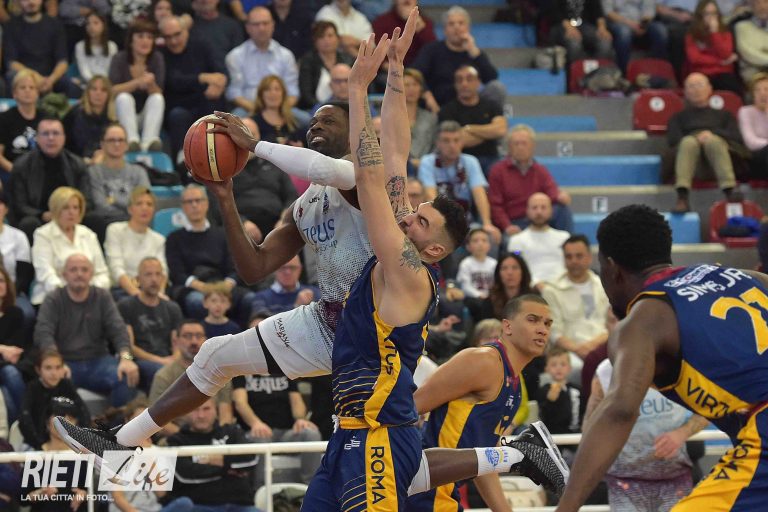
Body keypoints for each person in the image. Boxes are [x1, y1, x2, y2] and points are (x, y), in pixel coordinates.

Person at [54, 12, 567, 501]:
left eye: (328, 120)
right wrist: (226, 198)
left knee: (400, 461)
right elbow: (254, 268)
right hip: (327, 323)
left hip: (380, 340)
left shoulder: (363, 183)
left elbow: (359, 155)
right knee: (215, 356)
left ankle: (514, 452)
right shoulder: (307, 203)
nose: (315, 127)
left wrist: (257, 144)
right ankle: (122, 442)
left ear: (353, 134)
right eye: (312, 122)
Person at [551, 203, 768, 511]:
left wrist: (566, 507)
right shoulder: (744, 276)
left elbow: (620, 411)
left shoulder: (641, 322)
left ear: (611, 268)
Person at [406, 295, 563, 511]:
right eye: (533, 320)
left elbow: (485, 461)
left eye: (547, 323)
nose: (542, 329)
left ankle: (519, 455)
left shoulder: (515, 386)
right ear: (507, 326)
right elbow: (409, 408)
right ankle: (520, 454)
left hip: (444, 494)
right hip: (420, 491)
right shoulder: (483, 361)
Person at [585, 358, 708, 512]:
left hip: (674, 477)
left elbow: (709, 409)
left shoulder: (681, 363)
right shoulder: (606, 370)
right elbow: (590, 425)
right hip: (624, 480)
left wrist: (682, 433)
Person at [34, 253, 139, 407]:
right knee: (52, 378)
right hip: (65, 361)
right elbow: (43, 333)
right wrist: (57, 363)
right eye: (73, 270)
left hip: (99, 361)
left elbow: (118, 329)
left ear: (92, 274)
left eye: (84, 269)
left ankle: (116, 421)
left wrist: (126, 358)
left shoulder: (102, 296)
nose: (79, 274)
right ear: (64, 274)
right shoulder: (53, 299)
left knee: (127, 375)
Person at [232, 318, 322, 485]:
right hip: (253, 433)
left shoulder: (284, 366)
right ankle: (260, 491)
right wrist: (256, 424)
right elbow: (240, 403)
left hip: (285, 433)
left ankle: (310, 487)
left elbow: (296, 400)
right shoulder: (240, 367)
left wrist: (301, 420)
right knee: (261, 439)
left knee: (310, 433)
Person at [165, 185, 255, 325]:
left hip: (223, 285)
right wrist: (202, 287)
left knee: (250, 299)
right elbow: (177, 273)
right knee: (196, 301)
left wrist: (225, 285)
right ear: (183, 207)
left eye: (198, 200)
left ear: (207, 204)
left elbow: (234, 266)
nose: (194, 205)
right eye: (189, 202)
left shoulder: (223, 235)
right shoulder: (174, 238)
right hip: (193, 288)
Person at [667, 72, 744, 213]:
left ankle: (729, 189)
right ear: (685, 92)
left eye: (699, 85)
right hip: (691, 164)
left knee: (713, 141)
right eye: (691, 86)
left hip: (720, 161)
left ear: (709, 88)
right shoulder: (677, 118)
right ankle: (682, 196)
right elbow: (673, 141)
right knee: (688, 142)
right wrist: (696, 137)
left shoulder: (725, 115)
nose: (696, 89)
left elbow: (736, 138)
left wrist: (711, 134)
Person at [164, 398, 259, 511]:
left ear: (216, 410)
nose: (201, 415)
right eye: (195, 410)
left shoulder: (232, 432)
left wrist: (220, 461)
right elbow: (185, 475)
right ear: (186, 412)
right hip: (199, 505)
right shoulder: (176, 441)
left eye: (206, 409)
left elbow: (252, 458)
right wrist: (229, 469)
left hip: (241, 505)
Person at [9, 118, 93, 242]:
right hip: (38, 217)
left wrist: (70, 212)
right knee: (29, 223)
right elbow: (19, 205)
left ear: (64, 137)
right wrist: (42, 215)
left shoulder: (77, 164)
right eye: (45, 133)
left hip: (71, 214)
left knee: (94, 218)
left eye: (55, 133)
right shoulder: (21, 166)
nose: (51, 138)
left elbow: (86, 199)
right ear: (37, 138)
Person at [418, 121, 501, 243]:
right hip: (439, 221)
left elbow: (479, 193)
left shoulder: (470, 161)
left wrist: (486, 223)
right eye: (446, 141)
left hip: (467, 221)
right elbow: (430, 196)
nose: (452, 145)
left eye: (456, 140)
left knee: (488, 238)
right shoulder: (427, 162)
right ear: (438, 143)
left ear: (462, 142)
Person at [160, 15, 228, 163]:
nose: (173, 41)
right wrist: (201, 78)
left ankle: (214, 158)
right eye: (168, 37)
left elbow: (221, 73)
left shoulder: (202, 45)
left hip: (205, 101)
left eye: (177, 34)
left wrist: (218, 84)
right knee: (177, 116)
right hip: (178, 105)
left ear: (186, 31)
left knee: (213, 109)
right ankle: (182, 161)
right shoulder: (161, 54)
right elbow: (173, 81)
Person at [148, 320, 234, 436]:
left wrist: (218, 438)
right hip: (177, 439)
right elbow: (155, 421)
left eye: (199, 336)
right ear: (176, 341)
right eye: (187, 336)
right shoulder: (164, 376)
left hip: (214, 436)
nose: (194, 341)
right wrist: (189, 439)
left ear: (206, 340)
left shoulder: (219, 372)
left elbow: (225, 414)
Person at [109, 398, 195, 512]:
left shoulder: (158, 451)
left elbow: (161, 493)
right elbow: (117, 497)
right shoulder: (115, 452)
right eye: (136, 421)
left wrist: (146, 456)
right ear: (127, 421)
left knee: (184, 503)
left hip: (154, 510)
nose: (141, 427)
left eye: (146, 422)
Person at [541, 234, 610, 375]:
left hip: (603, 347)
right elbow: (554, 332)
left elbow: (613, 325)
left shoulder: (605, 286)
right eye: (569, 257)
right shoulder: (551, 290)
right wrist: (579, 350)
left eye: (579, 256)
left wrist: (592, 348)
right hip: (568, 353)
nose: (574, 261)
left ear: (589, 257)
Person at [488, 124, 574, 235]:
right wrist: (507, 226)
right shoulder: (497, 170)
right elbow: (495, 205)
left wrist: (560, 196)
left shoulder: (540, 170)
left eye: (524, 143)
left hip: (538, 218)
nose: (520, 147)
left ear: (532, 146)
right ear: (509, 147)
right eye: (516, 144)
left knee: (562, 210)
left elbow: (552, 191)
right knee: (510, 242)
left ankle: (568, 243)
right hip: (514, 222)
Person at [29, 187, 109, 306]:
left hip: (91, 298)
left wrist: (89, 292)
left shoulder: (88, 234)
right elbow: (45, 274)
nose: (71, 212)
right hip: (55, 298)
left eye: (75, 208)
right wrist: (71, 295)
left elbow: (102, 273)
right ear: (56, 209)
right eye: (66, 208)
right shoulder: (43, 235)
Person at [412, 6, 504, 108]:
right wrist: (427, 96)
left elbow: (491, 77)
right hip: (439, 105)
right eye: (451, 24)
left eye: (461, 23)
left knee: (496, 88)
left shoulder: (474, 53)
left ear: (468, 28)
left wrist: (474, 52)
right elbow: (415, 73)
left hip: (469, 104)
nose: (456, 27)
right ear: (445, 30)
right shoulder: (432, 50)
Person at [225, 6, 299, 115]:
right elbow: (234, 93)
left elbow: (293, 93)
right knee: (235, 117)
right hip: (249, 110)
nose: (261, 28)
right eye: (256, 24)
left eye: (265, 23)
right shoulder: (235, 56)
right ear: (247, 28)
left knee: (307, 120)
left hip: (281, 110)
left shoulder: (286, 55)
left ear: (273, 25)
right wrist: (260, 111)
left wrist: (277, 111)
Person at [118, 257, 180, 383]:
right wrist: (161, 361)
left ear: (163, 278)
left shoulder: (172, 308)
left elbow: (178, 343)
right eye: (148, 274)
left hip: (168, 360)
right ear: (138, 279)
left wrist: (174, 359)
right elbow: (129, 346)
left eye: (158, 274)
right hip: (141, 361)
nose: (154, 279)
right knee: (161, 373)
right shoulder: (126, 306)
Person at [109, 18, 165, 152]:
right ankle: (131, 141)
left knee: (157, 98)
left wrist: (150, 83)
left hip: (146, 116)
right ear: (131, 40)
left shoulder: (157, 58)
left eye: (149, 37)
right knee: (124, 97)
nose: (145, 41)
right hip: (123, 114)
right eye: (140, 36)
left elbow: (158, 92)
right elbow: (113, 90)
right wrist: (137, 82)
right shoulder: (119, 58)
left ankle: (149, 142)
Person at [3, 0, 80, 98]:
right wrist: (36, 78)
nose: (31, 2)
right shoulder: (11, 26)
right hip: (23, 74)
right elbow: (11, 63)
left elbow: (62, 61)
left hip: (51, 76)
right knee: (11, 77)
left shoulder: (55, 25)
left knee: (71, 86)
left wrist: (50, 80)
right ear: (19, 2)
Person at [438, 65, 507, 173]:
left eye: (469, 79)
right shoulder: (447, 111)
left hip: (490, 158)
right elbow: (457, 141)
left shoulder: (492, 105)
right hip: (460, 159)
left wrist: (469, 128)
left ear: (478, 82)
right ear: (455, 84)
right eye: (460, 80)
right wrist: (489, 132)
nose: (464, 84)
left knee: (499, 170)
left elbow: (500, 130)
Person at [19, 348, 90, 450]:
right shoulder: (32, 388)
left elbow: (83, 413)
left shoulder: (66, 385)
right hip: (36, 445)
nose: (54, 373)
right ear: (38, 370)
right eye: (48, 368)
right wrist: (40, 445)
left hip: (66, 444)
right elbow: (24, 419)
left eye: (58, 367)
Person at [88, 123, 151, 237]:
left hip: (135, 227)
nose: (117, 144)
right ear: (102, 144)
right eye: (111, 140)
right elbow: (100, 205)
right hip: (106, 228)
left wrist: (113, 200)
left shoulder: (139, 172)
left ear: (127, 145)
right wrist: (129, 207)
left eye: (121, 140)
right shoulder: (94, 172)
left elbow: (143, 205)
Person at [105, 187, 167, 299]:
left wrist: (160, 295)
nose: (145, 208)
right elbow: (116, 268)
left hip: (152, 291)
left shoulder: (159, 239)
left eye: (149, 204)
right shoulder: (115, 230)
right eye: (139, 204)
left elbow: (163, 272)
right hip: (123, 290)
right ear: (130, 209)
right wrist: (138, 295)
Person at [507, 193, 570, 288]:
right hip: (530, 289)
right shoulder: (516, 241)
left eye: (543, 207)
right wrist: (535, 284)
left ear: (551, 211)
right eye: (534, 208)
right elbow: (516, 268)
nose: (539, 212)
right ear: (527, 211)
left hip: (562, 288)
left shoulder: (564, 238)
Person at [685, 0, 741, 95]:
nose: (711, 17)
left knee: (730, 85)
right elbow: (695, 59)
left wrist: (715, 33)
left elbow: (725, 54)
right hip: (701, 73)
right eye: (707, 14)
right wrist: (719, 62)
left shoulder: (725, 32)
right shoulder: (692, 34)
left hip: (723, 74)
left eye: (714, 13)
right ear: (700, 16)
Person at [298, 21, 354, 110]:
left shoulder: (348, 59)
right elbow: (306, 94)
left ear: (337, 38)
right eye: (321, 37)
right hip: (315, 108)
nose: (326, 40)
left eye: (330, 36)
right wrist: (322, 109)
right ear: (315, 41)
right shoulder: (308, 61)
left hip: (347, 106)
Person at [0, 70, 43, 183]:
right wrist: (16, 171)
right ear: (14, 93)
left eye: (32, 87)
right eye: (22, 87)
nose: (27, 91)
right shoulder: (4, 118)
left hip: (40, 172)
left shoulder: (46, 118)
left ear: (37, 93)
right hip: (10, 171)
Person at [603, 0, 668, 73]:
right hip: (619, 22)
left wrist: (643, 25)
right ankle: (623, 72)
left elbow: (649, 9)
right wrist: (631, 24)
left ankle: (659, 70)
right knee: (624, 33)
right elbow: (608, 12)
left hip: (642, 23)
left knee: (660, 30)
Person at [63, 75, 116, 162]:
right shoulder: (76, 114)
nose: (98, 93)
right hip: (75, 160)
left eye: (103, 90)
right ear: (87, 92)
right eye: (94, 89)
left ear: (109, 95)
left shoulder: (112, 120)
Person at [0, 191, 34, 323]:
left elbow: (24, 274)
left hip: (13, 290)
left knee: (26, 314)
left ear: (6, 209)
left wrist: (9, 293)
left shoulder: (18, 236)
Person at [248, 255, 320, 315]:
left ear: (300, 269)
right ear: (274, 269)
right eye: (283, 267)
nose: (287, 272)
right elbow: (260, 324)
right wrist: (295, 307)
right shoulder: (261, 297)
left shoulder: (314, 292)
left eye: (292, 268)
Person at [0, 265, 27, 424]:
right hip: (5, 367)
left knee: (8, 398)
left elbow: (16, 351)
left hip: (7, 366)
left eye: (1, 280)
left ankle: (24, 424)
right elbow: (8, 350)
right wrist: (2, 348)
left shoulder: (15, 313)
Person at [373, 0, 436, 66]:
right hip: (390, 67)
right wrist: (387, 66)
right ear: (395, 1)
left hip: (417, 69)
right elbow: (376, 50)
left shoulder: (425, 22)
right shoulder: (382, 22)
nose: (407, 0)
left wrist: (420, 27)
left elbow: (433, 50)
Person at [549, 0, 613, 63]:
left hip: (586, 26)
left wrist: (602, 27)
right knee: (574, 43)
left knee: (604, 41)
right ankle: (576, 68)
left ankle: (598, 67)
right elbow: (554, 11)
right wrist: (569, 27)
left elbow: (598, 13)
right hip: (562, 25)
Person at [536, 347, 581, 437]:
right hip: (553, 435)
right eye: (554, 365)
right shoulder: (544, 390)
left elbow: (583, 410)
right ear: (547, 369)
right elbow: (543, 415)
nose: (558, 368)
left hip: (576, 433)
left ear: (569, 368)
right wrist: (550, 401)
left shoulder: (577, 389)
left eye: (563, 364)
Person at [252, 75, 303, 145]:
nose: (273, 93)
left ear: (283, 94)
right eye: (267, 89)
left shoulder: (293, 122)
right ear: (261, 95)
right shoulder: (253, 123)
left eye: (277, 89)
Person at [403, 68, 436, 167]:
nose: (411, 89)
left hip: (425, 167)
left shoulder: (431, 118)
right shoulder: (389, 118)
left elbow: (436, 147)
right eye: (407, 85)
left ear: (421, 89)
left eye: (415, 84)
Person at [738, 72, 768, 176]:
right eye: (757, 90)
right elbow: (750, 142)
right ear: (752, 94)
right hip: (756, 157)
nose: (762, 93)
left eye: (766, 89)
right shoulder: (745, 111)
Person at [74, 13, 117, 82]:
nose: (91, 27)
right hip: (88, 84)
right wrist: (95, 83)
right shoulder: (80, 46)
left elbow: (112, 71)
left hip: (107, 84)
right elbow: (84, 71)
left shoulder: (112, 46)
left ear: (104, 26)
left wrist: (103, 83)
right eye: (88, 24)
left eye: (95, 23)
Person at [456, 228, 496, 299]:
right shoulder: (466, 263)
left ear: (489, 245)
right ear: (468, 246)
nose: (480, 244)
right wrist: (478, 295)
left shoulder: (494, 263)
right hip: (473, 299)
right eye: (475, 241)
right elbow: (465, 286)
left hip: (491, 298)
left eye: (484, 240)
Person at [734, 0, 768, 85]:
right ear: (751, 6)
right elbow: (748, 54)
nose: (762, 7)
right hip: (753, 72)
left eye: (765, 2)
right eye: (757, 3)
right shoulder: (741, 27)